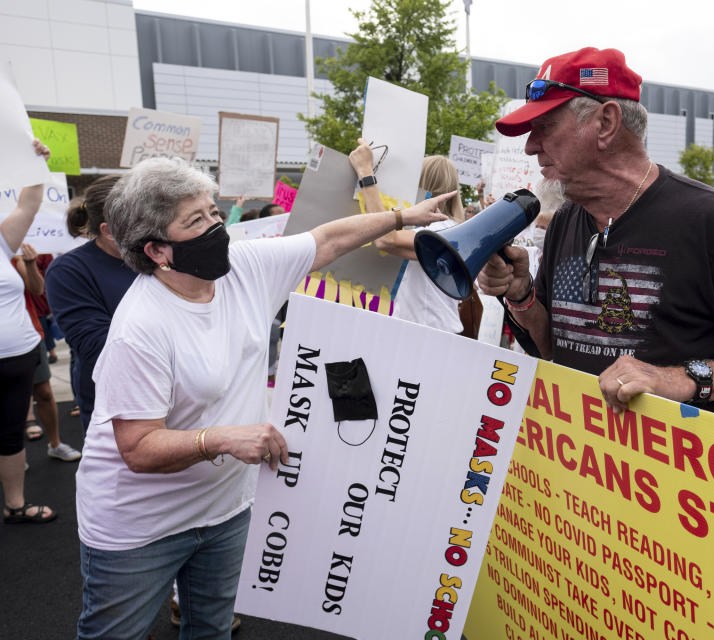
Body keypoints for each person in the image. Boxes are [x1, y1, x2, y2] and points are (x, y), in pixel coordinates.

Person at [73, 157, 450, 638]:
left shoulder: (242, 268)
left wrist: (401, 217)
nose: (216, 228)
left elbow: (328, 240)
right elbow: (138, 449)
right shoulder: (140, 329)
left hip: (226, 512)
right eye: (196, 221)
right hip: (140, 528)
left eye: (213, 212)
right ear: (157, 250)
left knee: (211, 630)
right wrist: (222, 439)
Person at [477, 47, 714, 419]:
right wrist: (521, 294)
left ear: (606, 123)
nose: (530, 146)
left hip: (678, 469)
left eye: (544, 126)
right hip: (579, 463)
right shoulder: (566, 218)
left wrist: (684, 379)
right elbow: (549, 348)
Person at [46, 174, 137, 435]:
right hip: (114, 408)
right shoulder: (68, 271)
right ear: (108, 231)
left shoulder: (159, 256)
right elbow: (100, 348)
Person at [349, 139, 466, 334]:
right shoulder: (448, 228)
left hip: (428, 334)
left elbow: (385, 239)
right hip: (426, 331)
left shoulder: (441, 230)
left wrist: (366, 173)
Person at [0, 139, 56, 524]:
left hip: (19, 356)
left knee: (9, 435)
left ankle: (15, 505)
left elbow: (29, 203)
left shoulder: (3, 242)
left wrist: (36, 164)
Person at [12, 243, 82, 461]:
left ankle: (55, 443)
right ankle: (12, 455)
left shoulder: (12, 256)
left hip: (27, 335)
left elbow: (38, 289)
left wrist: (31, 264)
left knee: (43, 393)